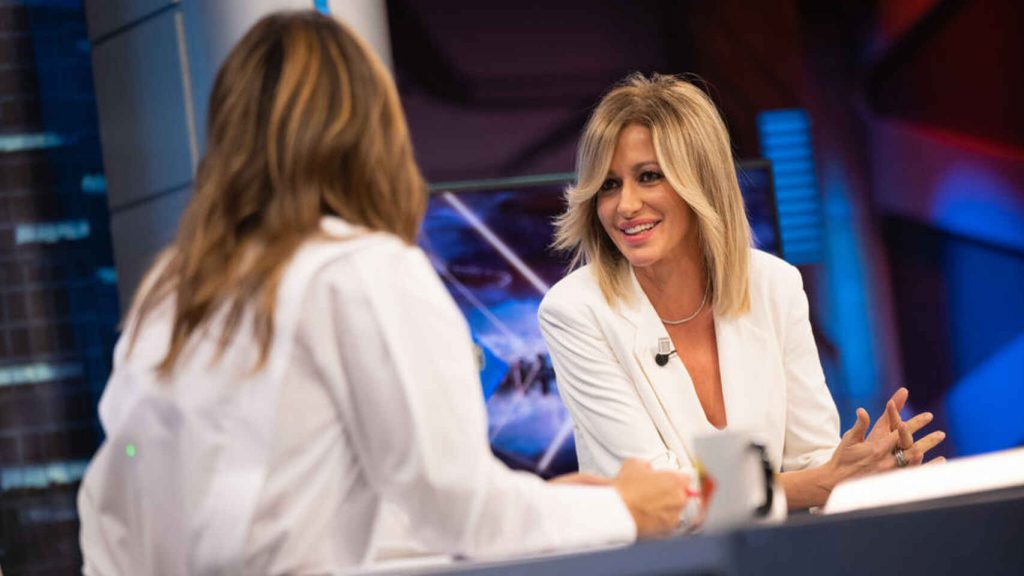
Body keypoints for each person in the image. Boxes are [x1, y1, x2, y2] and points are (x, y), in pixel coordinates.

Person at [76, 14, 691, 575]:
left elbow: (138, 516)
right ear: (371, 130)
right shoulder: (363, 272)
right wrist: (623, 510)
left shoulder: (174, 288)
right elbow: (457, 511)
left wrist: (538, 504)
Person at [538, 73, 945, 512]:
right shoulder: (574, 311)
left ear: (702, 179)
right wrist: (821, 483)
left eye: (649, 176)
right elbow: (660, 500)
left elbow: (811, 458)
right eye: (609, 185)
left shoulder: (774, 285)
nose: (625, 205)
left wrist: (865, 471)